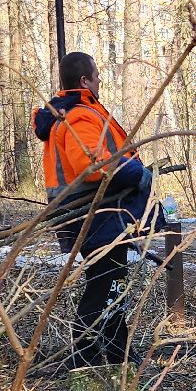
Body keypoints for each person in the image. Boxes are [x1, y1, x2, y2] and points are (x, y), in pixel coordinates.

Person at [35, 51, 152, 368]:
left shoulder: (76, 113)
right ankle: (85, 360)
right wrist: (136, 173)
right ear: (84, 80)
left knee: (112, 284)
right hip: (95, 215)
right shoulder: (79, 117)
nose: (100, 80)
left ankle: (117, 354)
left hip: (100, 214)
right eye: (96, 75)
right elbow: (93, 165)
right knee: (104, 287)